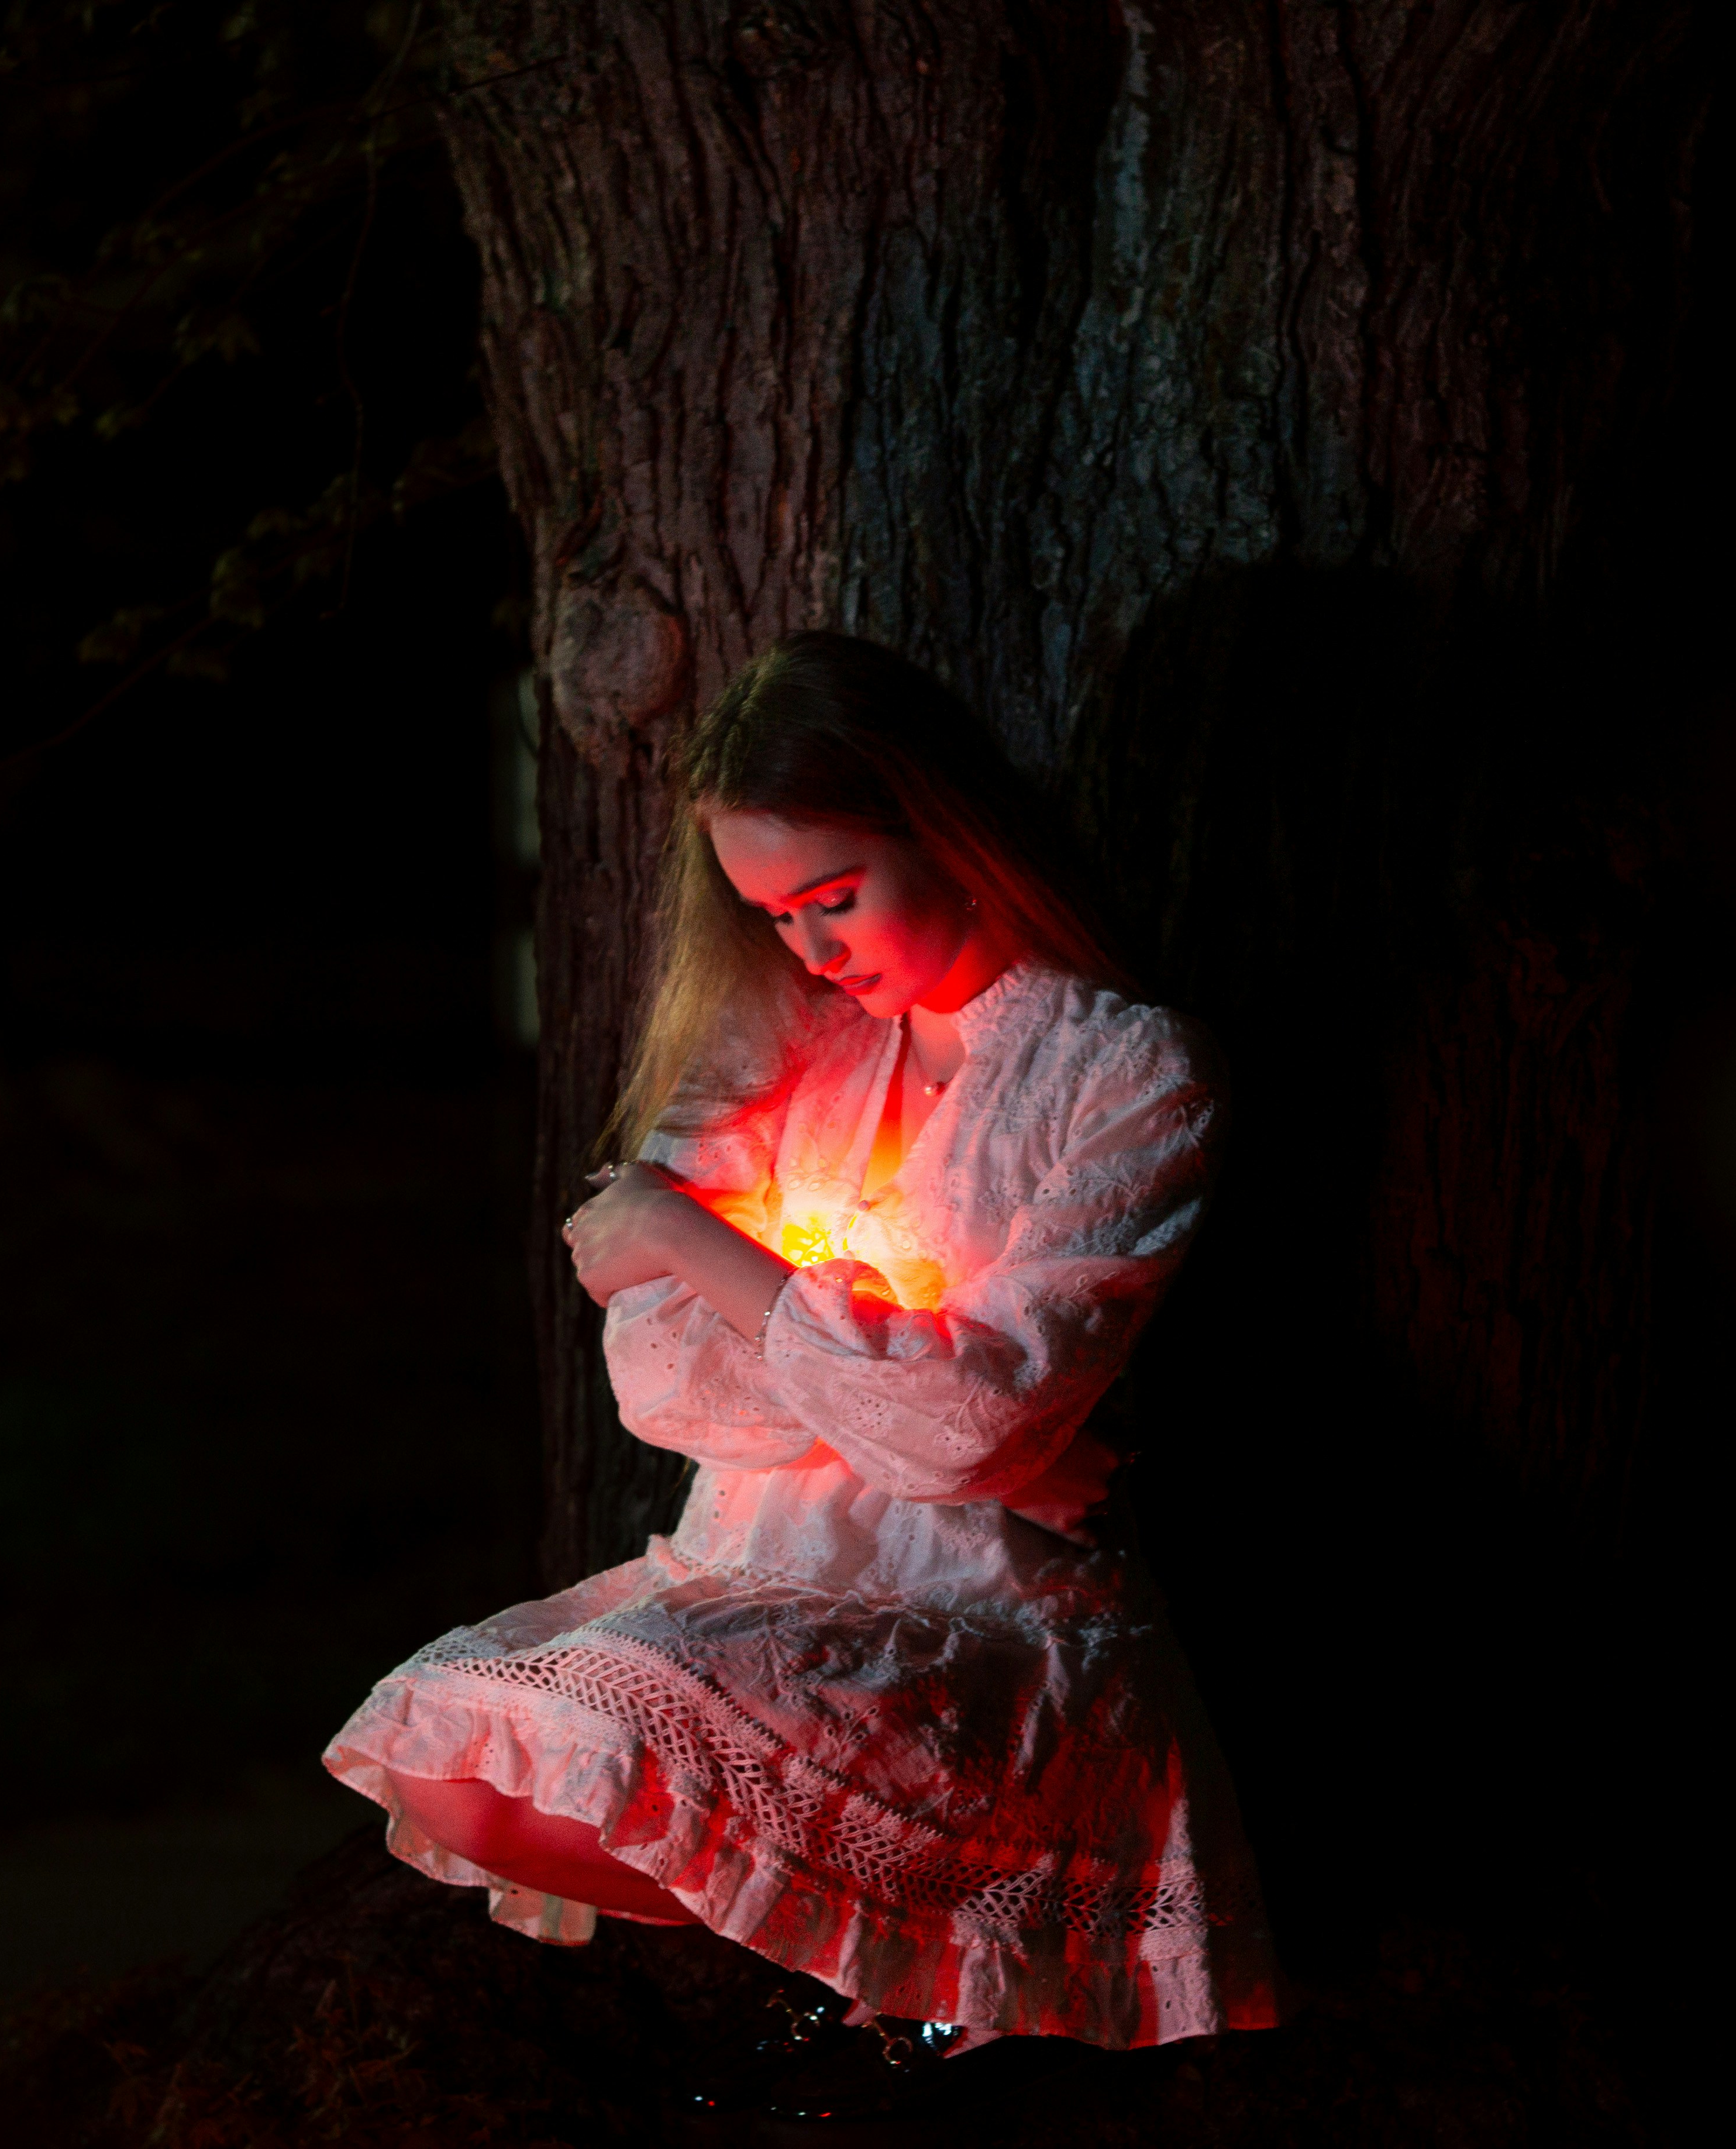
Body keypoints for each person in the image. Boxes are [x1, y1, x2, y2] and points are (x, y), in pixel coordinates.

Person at [322, 631, 1276, 2115]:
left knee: (606, 1730)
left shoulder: (1129, 1072)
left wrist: (700, 1251)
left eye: (833, 897)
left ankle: (902, 1999)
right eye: (774, 916)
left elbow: (960, 1418)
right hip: (747, 1574)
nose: (814, 950)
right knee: (449, 1747)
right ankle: (860, 1986)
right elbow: (659, 1386)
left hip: (979, 1617)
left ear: (947, 832)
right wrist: (983, 1431)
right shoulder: (787, 1042)